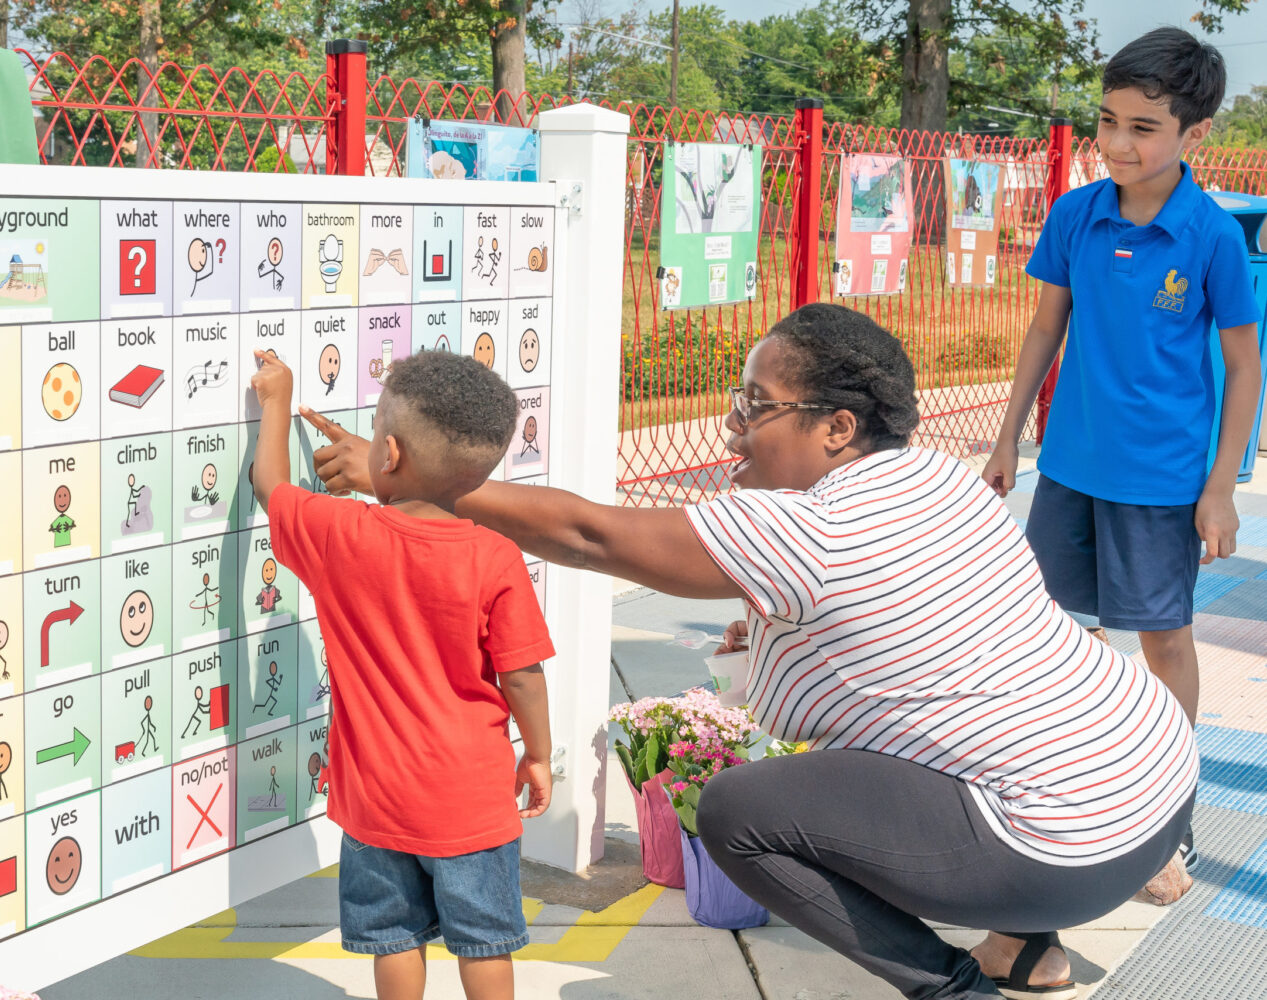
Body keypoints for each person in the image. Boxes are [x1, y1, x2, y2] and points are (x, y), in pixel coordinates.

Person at [307, 304, 1198, 1000]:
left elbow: (588, 535)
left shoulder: (810, 527)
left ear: (837, 429)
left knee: (738, 811)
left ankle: (950, 984)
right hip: (1152, 786)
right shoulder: (933, 478)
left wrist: (421, 478)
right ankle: (1026, 948)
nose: (733, 429)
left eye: (756, 409)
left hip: (1056, 846)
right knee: (925, 760)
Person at [982, 28, 1258, 877]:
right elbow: (1043, 327)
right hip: (1066, 468)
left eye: (1142, 127)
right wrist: (1004, 440)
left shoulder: (1210, 235)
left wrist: (1220, 487)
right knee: (1058, 636)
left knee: (1163, 641)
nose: (1117, 144)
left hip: (1162, 480)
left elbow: (1246, 365)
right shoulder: (1076, 212)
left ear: (1192, 134)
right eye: (1107, 122)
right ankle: (1068, 796)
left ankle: (1168, 817)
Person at [250, 347, 554, 1000]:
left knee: (391, 936)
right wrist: (536, 754)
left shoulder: (338, 534)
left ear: (385, 455)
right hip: (471, 800)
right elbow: (522, 675)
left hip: (374, 800)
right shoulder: (496, 558)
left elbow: (271, 487)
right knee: (485, 942)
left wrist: (277, 400)